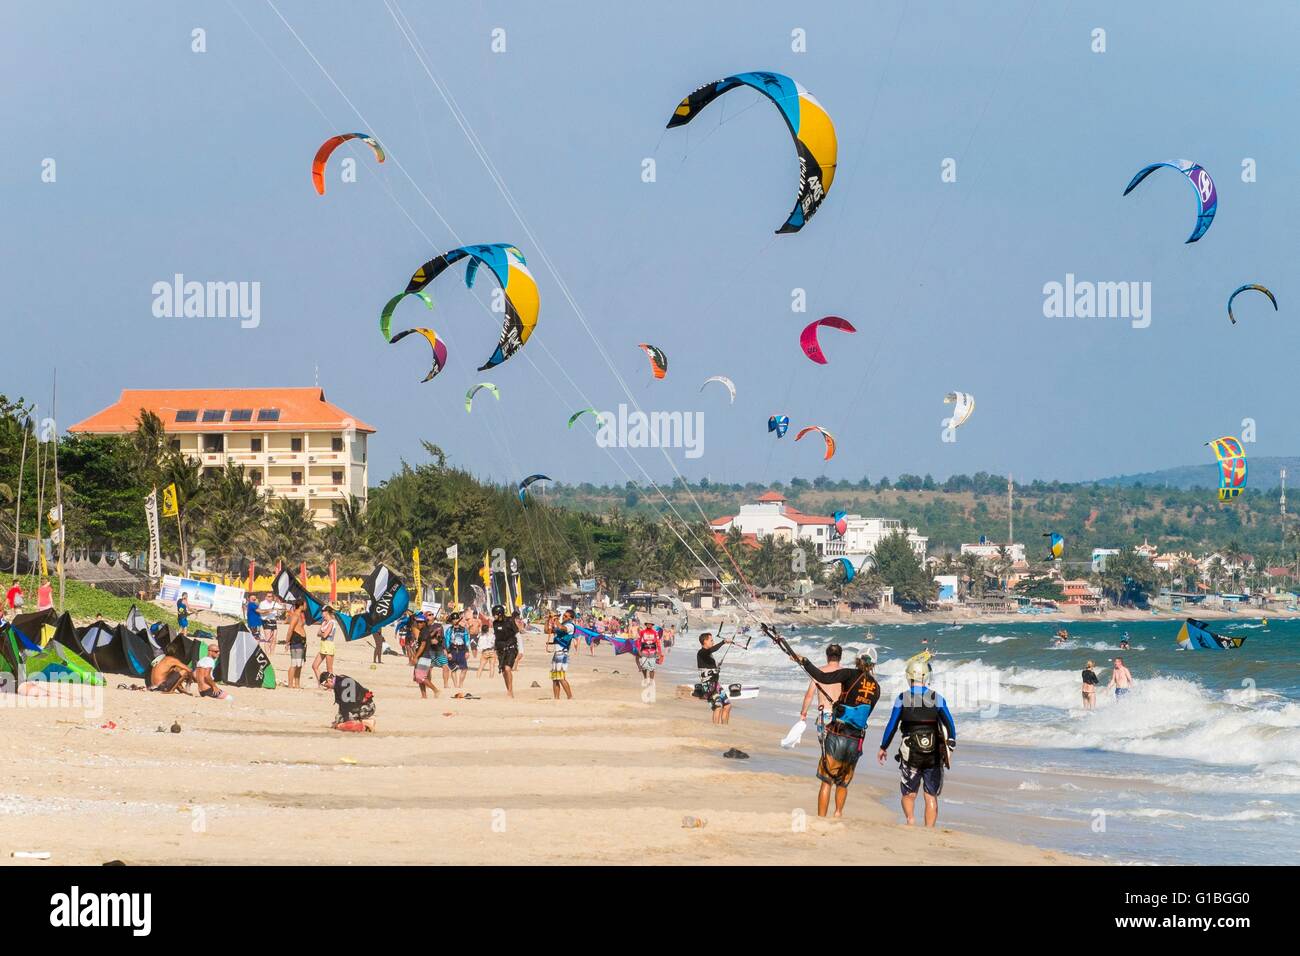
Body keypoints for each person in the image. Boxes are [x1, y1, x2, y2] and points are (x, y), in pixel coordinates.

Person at [796, 648, 881, 818]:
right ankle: (838, 814)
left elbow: (822, 677)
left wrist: (804, 661)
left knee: (827, 780)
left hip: (838, 734)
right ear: (873, 665)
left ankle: (821, 819)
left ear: (857, 660)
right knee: (843, 783)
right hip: (856, 740)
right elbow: (865, 715)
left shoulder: (849, 674)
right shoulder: (877, 688)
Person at [877, 655, 957, 827]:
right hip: (933, 752)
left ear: (909, 677)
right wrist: (951, 742)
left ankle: (911, 821)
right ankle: (929, 829)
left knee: (909, 793)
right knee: (930, 795)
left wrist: (883, 747)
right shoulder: (937, 698)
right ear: (926, 677)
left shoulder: (903, 698)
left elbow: (892, 725)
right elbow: (950, 724)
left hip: (910, 752)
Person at [800, 644, 846, 743]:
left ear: (827, 656)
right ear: (840, 657)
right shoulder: (845, 674)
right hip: (840, 717)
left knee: (824, 750)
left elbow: (809, 695)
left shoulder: (818, 672)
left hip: (824, 715)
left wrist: (803, 714)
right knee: (837, 750)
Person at [696, 632, 735, 725]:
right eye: (711, 640)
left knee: (727, 705)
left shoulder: (708, 654)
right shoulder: (702, 652)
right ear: (705, 641)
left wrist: (715, 668)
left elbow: (709, 667)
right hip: (708, 686)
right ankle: (716, 729)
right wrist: (723, 642)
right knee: (718, 706)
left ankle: (724, 728)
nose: (713, 642)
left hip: (716, 684)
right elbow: (712, 649)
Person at [547, 610, 578, 699]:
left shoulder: (570, 626)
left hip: (562, 653)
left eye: (566, 616)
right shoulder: (561, 625)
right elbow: (547, 630)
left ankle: (570, 697)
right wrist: (548, 620)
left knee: (560, 677)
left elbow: (561, 628)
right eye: (563, 615)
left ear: (571, 618)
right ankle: (556, 698)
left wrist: (555, 619)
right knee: (555, 678)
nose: (563, 617)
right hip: (557, 654)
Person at [409, 616, 441, 699]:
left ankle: (436, 690)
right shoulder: (423, 631)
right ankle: (424, 695)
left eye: (421, 622)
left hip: (425, 656)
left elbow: (423, 646)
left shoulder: (424, 632)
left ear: (424, 623)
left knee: (420, 677)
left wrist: (415, 657)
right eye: (418, 622)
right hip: (422, 656)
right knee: (418, 678)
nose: (419, 623)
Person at [491, 604, 520, 698]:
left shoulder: (510, 621)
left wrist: (520, 649)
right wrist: (495, 648)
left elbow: (517, 634)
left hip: (511, 648)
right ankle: (508, 690)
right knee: (503, 671)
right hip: (500, 649)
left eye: (495, 614)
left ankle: (510, 691)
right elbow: (496, 637)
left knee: (508, 669)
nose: (494, 616)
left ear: (500, 613)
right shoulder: (495, 623)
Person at [285, 600, 308, 689]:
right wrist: (287, 642)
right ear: (301, 605)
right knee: (294, 664)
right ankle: (291, 685)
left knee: (299, 664)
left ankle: (297, 684)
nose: (306, 607)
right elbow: (290, 629)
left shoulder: (301, 615)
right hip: (296, 641)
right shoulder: (295, 615)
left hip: (301, 641)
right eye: (305, 604)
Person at [445, 612, 472, 689]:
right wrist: (449, 652)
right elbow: (447, 641)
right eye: (454, 619)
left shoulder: (463, 629)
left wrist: (467, 651)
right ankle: (455, 685)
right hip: (453, 650)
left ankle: (460, 684)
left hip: (462, 650)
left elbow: (466, 640)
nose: (456, 620)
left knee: (464, 668)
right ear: (451, 620)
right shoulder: (449, 630)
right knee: (453, 669)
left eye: (457, 618)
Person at [312, 607, 338, 685]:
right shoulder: (324, 622)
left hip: (329, 645)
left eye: (322, 611)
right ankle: (322, 682)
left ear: (326, 612)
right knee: (314, 666)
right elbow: (318, 634)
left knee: (329, 669)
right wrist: (323, 634)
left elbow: (324, 634)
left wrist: (322, 633)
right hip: (323, 645)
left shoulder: (332, 622)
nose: (321, 613)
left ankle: (332, 686)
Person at [635, 620, 664, 684]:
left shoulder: (655, 633)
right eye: (648, 624)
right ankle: (645, 677)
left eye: (650, 624)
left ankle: (651, 681)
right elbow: (638, 641)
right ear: (646, 624)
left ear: (652, 625)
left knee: (652, 668)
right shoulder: (642, 632)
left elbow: (658, 642)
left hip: (653, 652)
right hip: (644, 651)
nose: (649, 625)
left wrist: (659, 652)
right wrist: (639, 650)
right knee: (644, 667)